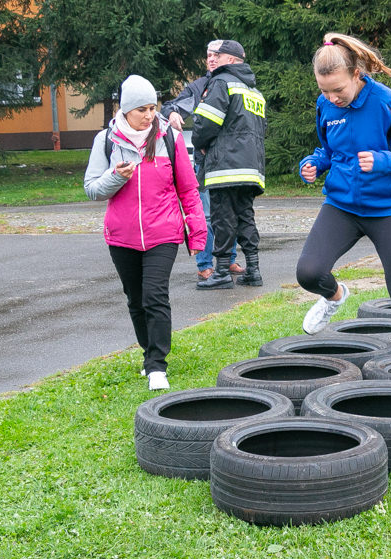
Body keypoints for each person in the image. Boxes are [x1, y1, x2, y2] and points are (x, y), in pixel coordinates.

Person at [296, 32, 391, 379]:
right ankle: (334, 296)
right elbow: (328, 150)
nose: (332, 98)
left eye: (339, 91)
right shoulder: (325, 105)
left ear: (357, 73)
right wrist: (315, 163)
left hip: (387, 208)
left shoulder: (385, 101)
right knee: (308, 273)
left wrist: (382, 161)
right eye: (324, 91)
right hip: (342, 205)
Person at [84, 75, 207, 391]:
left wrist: (196, 235)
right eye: (142, 109)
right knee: (135, 299)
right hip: (121, 235)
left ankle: (157, 367)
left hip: (163, 232)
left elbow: (189, 189)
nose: (149, 115)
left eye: (153, 107)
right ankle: (147, 352)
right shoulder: (107, 140)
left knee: (155, 295)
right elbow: (92, 189)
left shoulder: (169, 137)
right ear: (126, 110)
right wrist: (115, 177)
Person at [161, 41, 243, 282]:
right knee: (207, 215)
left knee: (231, 214)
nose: (211, 59)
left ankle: (228, 261)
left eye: (216, 55)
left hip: (231, 160)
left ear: (228, 57)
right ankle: (205, 265)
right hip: (206, 163)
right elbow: (169, 106)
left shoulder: (234, 83)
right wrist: (173, 112)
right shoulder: (199, 87)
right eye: (208, 55)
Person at [192, 39, 267, 290]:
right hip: (250, 167)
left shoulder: (221, 83)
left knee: (222, 218)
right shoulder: (255, 92)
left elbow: (206, 123)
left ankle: (222, 272)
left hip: (225, 166)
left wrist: (200, 143)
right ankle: (253, 270)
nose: (213, 59)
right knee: (246, 217)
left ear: (232, 60)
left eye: (219, 55)